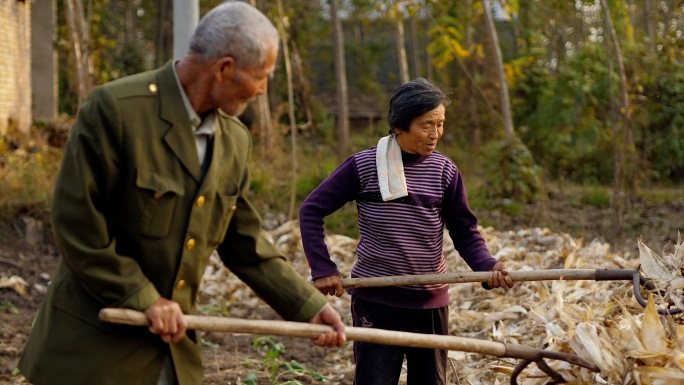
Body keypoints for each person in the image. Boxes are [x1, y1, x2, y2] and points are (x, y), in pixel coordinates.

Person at [17, 2, 345, 385]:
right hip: (93, 355)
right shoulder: (117, 110)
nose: (263, 90)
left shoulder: (234, 139)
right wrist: (143, 297)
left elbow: (245, 242)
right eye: (262, 76)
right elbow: (78, 224)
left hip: (172, 357)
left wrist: (307, 306)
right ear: (223, 68)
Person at [299, 78, 514, 385]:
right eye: (427, 125)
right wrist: (322, 267)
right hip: (378, 299)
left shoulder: (445, 171)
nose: (435, 133)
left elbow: (464, 231)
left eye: (440, 124)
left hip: (430, 300)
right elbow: (311, 209)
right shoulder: (363, 166)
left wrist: (488, 267)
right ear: (399, 126)